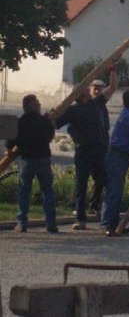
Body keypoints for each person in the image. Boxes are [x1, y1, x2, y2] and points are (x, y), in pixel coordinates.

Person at [56, 67, 117, 230]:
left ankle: (105, 214)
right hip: (83, 151)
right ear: (80, 94)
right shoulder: (72, 110)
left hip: (100, 150)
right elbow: (55, 123)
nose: (90, 91)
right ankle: (81, 219)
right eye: (85, 89)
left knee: (104, 181)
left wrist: (112, 71)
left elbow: (112, 88)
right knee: (81, 185)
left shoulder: (96, 103)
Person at [7, 95, 58, 234]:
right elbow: (49, 137)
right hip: (43, 159)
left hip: (26, 159)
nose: (40, 105)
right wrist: (50, 122)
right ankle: (51, 223)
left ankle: (22, 223)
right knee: (47, 191)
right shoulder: (43, 121)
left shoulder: (20, 122)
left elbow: (10, 143)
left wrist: (11, 151)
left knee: (24, 191)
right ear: (31, 105)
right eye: (37, 103)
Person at [101, 88, 129, 236]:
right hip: (118, 155)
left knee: (116, 189)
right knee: (114, 190)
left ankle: (113, 223)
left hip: (119, 155)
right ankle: (108, 224)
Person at [88, 78, 111, 215]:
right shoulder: (91, 105)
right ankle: (92, 205)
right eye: (95, 88)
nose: (97, 91)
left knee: (101, 178)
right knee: (96, 177)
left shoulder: (102, 105)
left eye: (100, 88)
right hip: (92, 147)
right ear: (90, 89)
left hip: (103, 144)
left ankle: (95, 205)